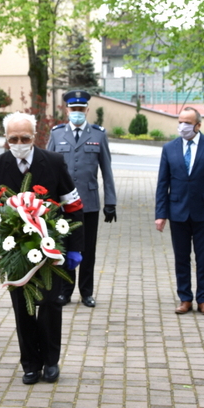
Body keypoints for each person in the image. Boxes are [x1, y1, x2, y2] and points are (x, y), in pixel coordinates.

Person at [0, 112, 85, 385]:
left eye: (24, 137)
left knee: (51, 304)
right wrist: (7, 220)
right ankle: (30, 364)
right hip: (15, 250)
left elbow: (73, 206)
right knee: (23, 307)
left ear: (35, 136)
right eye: (13, 138)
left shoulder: (52, 162)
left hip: (51, 248)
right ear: (6, 138)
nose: (19, 142)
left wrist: (74, 248)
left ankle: (51, 361)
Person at [47, 90, 116, 308]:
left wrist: (110, 202)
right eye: (73, 109)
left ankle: (86, 292)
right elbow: (47, 169)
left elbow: (107, 170)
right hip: (62, 204)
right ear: (67, 110)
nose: (76, 113)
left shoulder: (98, 135)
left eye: (80, 109)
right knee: (64, 247)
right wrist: (45, 202)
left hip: (89, 203)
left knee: (87, 249)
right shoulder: (57, 134)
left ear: (87, 110)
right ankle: (65, 292)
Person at [155, 107, 204, 316]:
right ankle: (185, 298)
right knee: (181, 258)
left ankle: (203, 300)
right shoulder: (170, 148)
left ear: (198, 125)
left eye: (187, 122)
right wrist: (161, 214)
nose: (182, 126)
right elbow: (163, 183)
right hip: (178, 212)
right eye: (180, 121)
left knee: (203, 259)